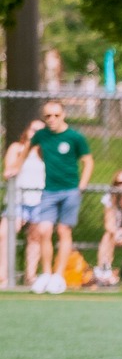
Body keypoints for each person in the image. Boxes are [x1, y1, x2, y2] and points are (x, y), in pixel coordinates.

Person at [22, 100, 92, 292]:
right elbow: (26, 148)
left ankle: (58, 276)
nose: (52, 119)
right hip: (49, 191)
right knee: (44, 230)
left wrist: (81, 186)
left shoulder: (75, 137)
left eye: (56, 115)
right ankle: (45, 274)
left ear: (63, 115)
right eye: (48, 116)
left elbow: (88, 161)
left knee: (63, 231)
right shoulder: (41, 135)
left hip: (70, 190)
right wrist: (15, 167)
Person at [5, 120, 50, 291]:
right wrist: (26, 150)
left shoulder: (45, 152)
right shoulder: (17, 148)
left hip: (39, 201)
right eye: (33, 129)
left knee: (35, 238)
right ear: (27, 130)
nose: (36, 133)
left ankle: (30, 276)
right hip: (18, 201)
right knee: (5, 234)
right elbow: (8, 171)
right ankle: (3, 276)